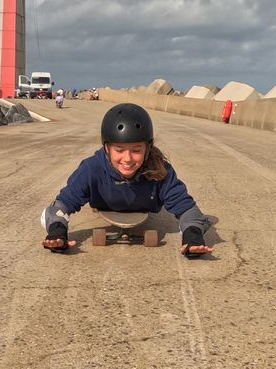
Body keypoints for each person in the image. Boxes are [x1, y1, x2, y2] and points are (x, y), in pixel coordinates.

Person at [41, 103, 213, 258]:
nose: (128, 158)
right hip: (105, 205)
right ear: (106, 148)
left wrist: (193, 237)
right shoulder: (91, 168)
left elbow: (187, 208)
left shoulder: (160, 170)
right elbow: (61, 205)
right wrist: (57, 233)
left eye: (136, 150)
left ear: (148, 148)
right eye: (119, 150)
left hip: (143, 208)